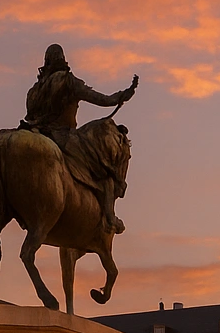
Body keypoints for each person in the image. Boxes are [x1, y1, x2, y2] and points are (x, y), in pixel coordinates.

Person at [21, 44, 137, 235]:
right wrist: (120, 96)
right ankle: (109, 218)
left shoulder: (34, 90)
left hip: (36, 133)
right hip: (61, 135)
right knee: (103, 168)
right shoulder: (68, 81)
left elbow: (29, 113)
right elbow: (100, 99)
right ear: (62, 58)